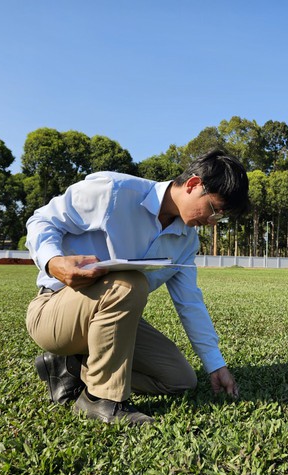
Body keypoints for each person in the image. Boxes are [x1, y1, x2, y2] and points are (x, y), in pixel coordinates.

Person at [25, 149, 250, 425]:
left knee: (179, 379)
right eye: (214, 209)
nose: (212, 221)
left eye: (221, 217)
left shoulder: (186, 242)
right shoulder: (114, 191)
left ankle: (71, 367)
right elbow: (42, 220)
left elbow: (190, 303)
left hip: (109, 320)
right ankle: (99, 399)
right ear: (193, 185)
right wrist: (53, 262)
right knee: (130, 282)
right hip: (54, 311)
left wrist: (216, 365)